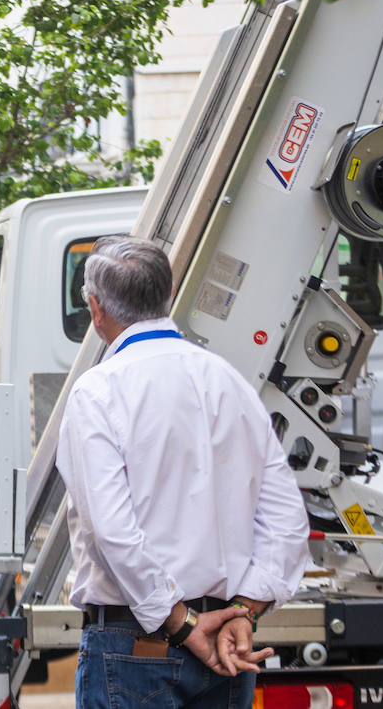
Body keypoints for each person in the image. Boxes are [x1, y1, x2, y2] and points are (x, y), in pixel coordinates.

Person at [56, 236, 309, 708]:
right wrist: (244, 611)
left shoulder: (99, 391)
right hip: (227, 645)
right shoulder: (228, 381)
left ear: (95, 308)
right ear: (166, 296)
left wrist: (180, 623)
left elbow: (112, 530)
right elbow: (287, 519)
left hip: (135, 647)